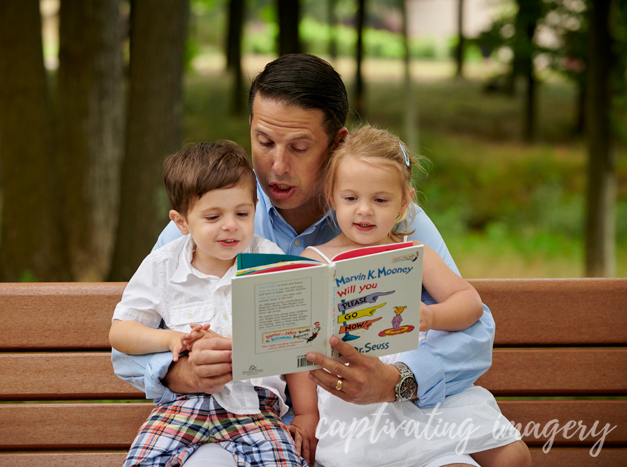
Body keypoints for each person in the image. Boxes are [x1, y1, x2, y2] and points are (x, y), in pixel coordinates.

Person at [111, 53, 498, 467]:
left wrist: (396, 381)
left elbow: (474, 333)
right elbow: (129, 343)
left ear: (338, 142)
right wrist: (180, 371)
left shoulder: (390, 220)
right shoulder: (205, 225)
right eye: (264, 142)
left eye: (298, 147)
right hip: (241, 424)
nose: (277, 165)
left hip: (368, 425)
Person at [300, 125, 530, 467]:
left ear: (404, 202)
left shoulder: (414, 253)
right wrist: (309, 415)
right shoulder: (314, 260)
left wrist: (432, 316)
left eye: (380, 200)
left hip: (417, 392)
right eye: (351, 198)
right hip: (357, 403)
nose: (364, 210)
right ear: (332, 196)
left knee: (514, 456)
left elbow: (469, 304)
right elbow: (301, 354)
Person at [109, 141, 315, 466]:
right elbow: (121, 333)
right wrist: (170, 339)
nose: (230, 225)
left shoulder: (271, 263)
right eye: (213, 216)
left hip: (253, 406)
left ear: (255, 206)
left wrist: (305, 413)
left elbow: (296, 346)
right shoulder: (163, 266)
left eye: (242, 213)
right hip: (181, 405)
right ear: (181, 222)